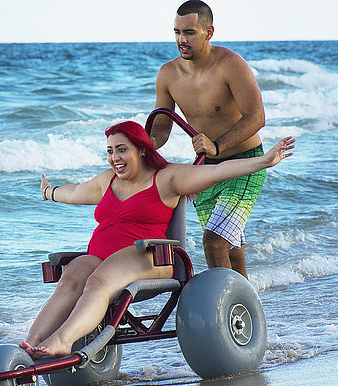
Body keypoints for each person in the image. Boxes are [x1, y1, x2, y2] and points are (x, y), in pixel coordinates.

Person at [20, 120, 294, 359]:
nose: (115, 157)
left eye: (122, 149)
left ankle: (63, 340)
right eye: (110, 151)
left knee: (98, 281)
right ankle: (29, 345)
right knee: (71, 278)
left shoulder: (166, 178)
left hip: (148, 256)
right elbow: (76, 192)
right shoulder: (108, 180)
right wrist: (49, 192)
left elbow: (215, 173)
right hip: (100, 258)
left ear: (141, 149)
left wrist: (263, 161)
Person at [149, 0, 266, 279]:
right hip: (204, 167)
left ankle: (223, 312)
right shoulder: (168, 73)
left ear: (208, 32)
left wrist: (218, 145)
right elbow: (161, 127)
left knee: (214, 243)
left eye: (189, 32)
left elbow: (256, 116)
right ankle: (245, 310)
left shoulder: (230, 64)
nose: (181, 40)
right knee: (230, 245)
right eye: (176, 32)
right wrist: (140, 149)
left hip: (243, 164)